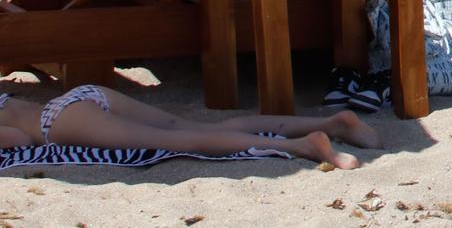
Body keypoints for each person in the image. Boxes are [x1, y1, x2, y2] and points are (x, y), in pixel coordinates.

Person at [0, 81, 378, 167]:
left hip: (58, 123)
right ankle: (334, 122)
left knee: (182, 139)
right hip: (79, 97)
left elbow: (16, 137)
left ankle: (300, 147)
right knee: (194, 126)